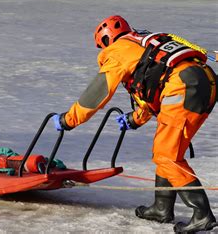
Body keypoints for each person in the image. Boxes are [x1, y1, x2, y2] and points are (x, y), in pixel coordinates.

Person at [53, 15, 217, 233]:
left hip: (184, 86)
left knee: (166, 155)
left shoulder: (117, 51)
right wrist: (135, 119)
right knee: (166, 151)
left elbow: (96, 94)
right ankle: (162, 208)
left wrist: (68, 119)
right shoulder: (143, 42)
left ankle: (202, 214)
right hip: (205, 81)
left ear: (104, 41)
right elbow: (154, 86)